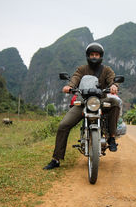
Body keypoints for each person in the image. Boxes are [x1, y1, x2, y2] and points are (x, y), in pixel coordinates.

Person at [43, 42, 120, 170]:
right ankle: (56, 159)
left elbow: (112, 79)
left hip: (99, 101)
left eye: (96, 54)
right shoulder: (82, 69)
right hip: (83, 102)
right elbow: (75, 78)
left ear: (101, 56)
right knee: (63, 125)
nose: (94, 57)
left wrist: (114, 86)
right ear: (88, 56)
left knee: (115, 103)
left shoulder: (106, 70)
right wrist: (70, 86)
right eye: (92, 54)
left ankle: (111, 137)